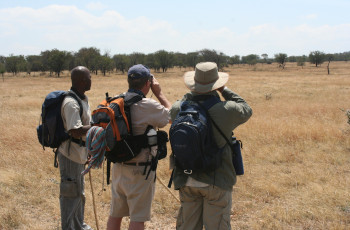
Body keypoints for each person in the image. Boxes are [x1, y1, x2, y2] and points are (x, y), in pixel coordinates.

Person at [169, 62, 253, 230]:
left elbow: (175, 108)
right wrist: (224, 90)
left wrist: (193, 92)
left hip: (186, 178)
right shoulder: (226, 110)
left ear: (193, 83)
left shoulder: (179, 108)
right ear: (217, 84)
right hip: (216, 179)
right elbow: (246, 108)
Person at [107, 64, 171, 230]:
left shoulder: (116, 100)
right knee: (137, 218)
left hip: (118, 167)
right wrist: (159, 93)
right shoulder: (148, 105)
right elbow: (170, 116)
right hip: (140, 170)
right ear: (148, 83)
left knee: (115, 214)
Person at [57, 66, 93, 230]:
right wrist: (97, 127)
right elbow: (75, 130)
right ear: (82, 81)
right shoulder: (71, 103)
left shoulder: (82, 99)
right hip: (70, 155)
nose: (92, 80)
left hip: (80, 154)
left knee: (79, 194)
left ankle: (79, 226)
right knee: (70, 195)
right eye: (89, 77)